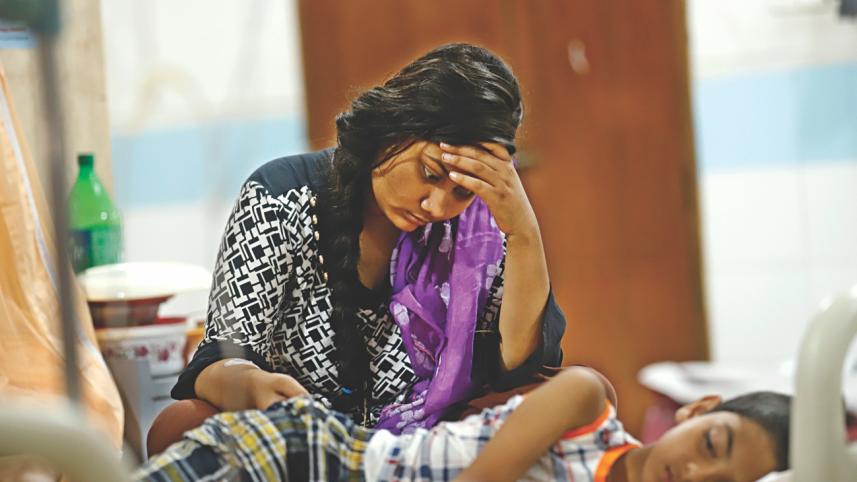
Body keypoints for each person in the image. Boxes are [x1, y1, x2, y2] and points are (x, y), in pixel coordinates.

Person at [170, 42, 566, 433]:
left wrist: (523, 231)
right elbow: (218, 359)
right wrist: (254, 386)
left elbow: (518, 365)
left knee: (583, 394)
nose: (436, 205)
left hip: (427, 451)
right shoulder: (280, 197)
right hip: (307, 446)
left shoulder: (477, 230)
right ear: (395, 127)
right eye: (430, 174)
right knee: (181, 425)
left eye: (462, 191)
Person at [134, 366, 791, 482]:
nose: (695, 473)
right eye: (712, 444)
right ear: (699, 409)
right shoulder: (586, 405)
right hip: (313, 457)